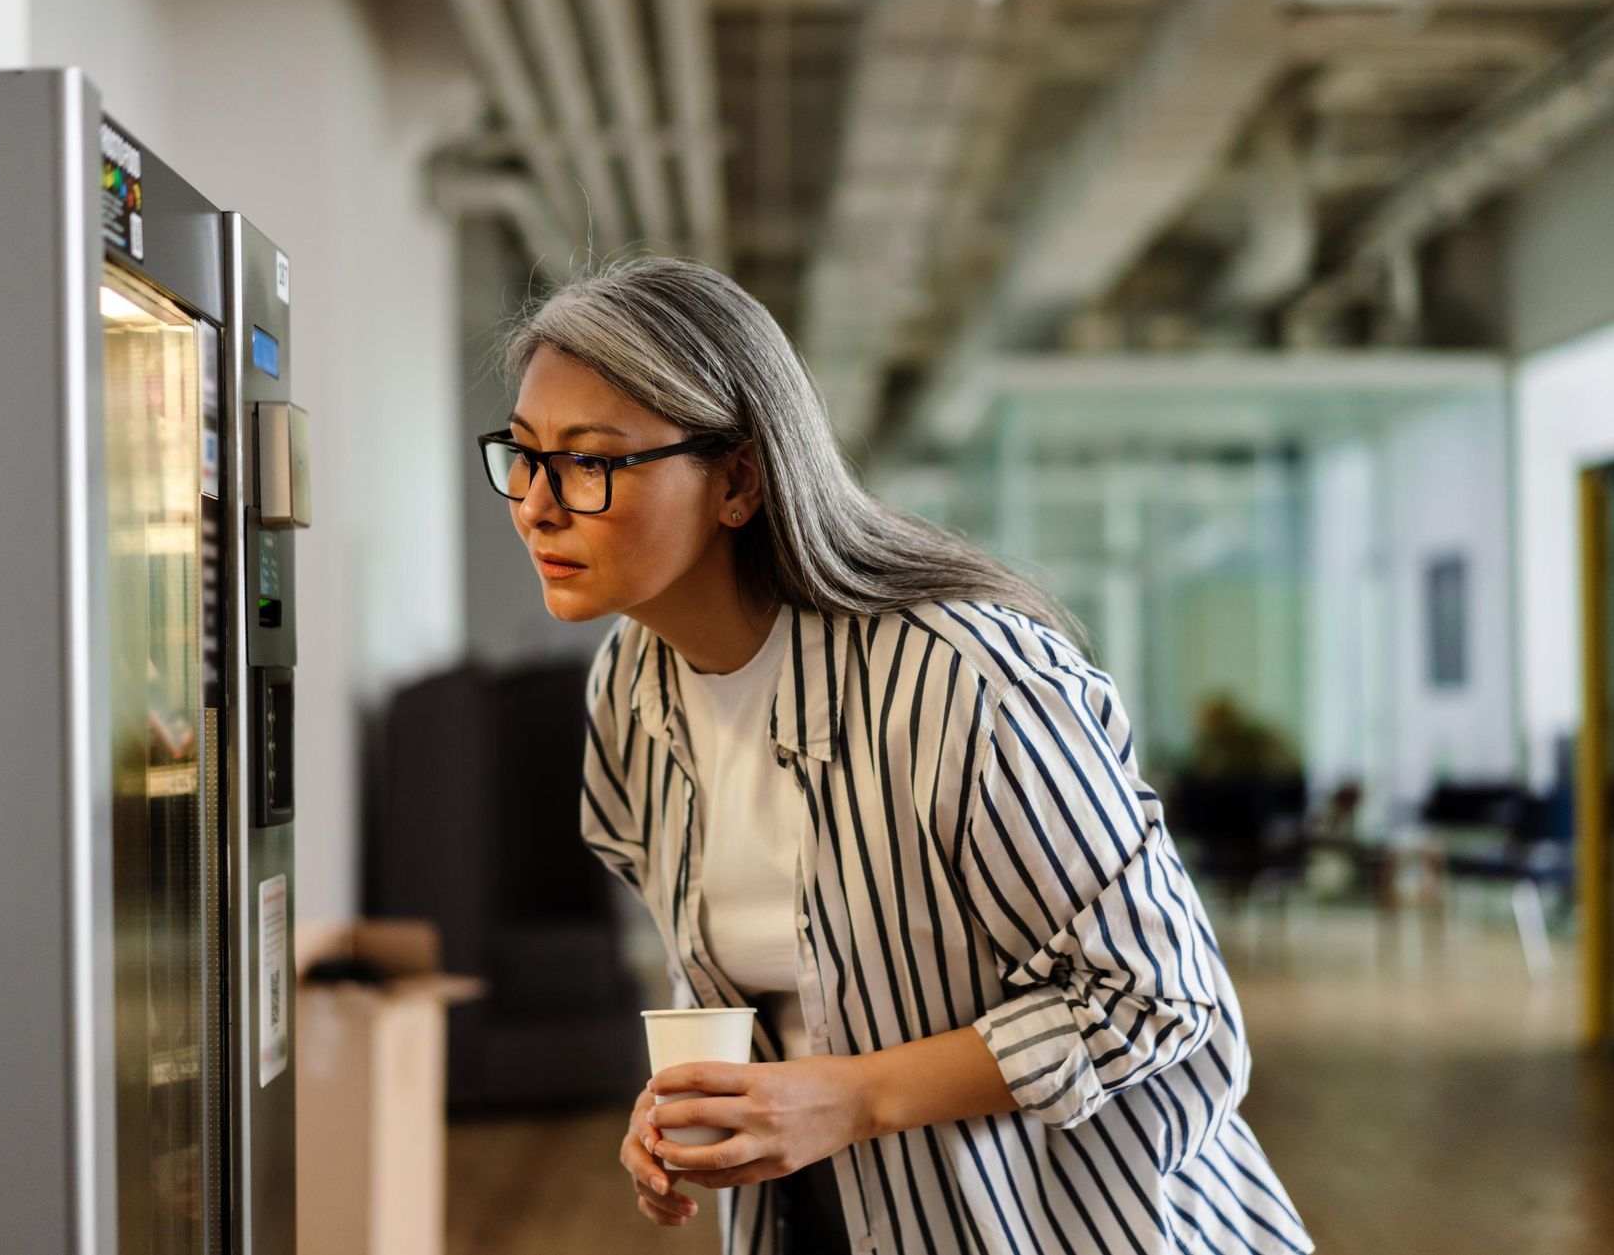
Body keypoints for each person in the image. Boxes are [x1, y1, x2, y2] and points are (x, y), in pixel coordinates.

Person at [475, 257, 1311, 1255]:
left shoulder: (967, 680)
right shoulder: (632, 685)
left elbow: (1156, 994)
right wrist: (692, 1111)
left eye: (589, 461)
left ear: (739, 477)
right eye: (522, 455)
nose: (535, 503)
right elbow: (738, 984)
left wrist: (855, 1099)